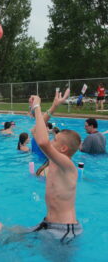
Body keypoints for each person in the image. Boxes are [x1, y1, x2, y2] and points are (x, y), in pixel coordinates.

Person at [28, 89, 82, 242]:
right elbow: (35, 131)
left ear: (63, 148)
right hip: (47, 223)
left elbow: (43, 142)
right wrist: (53, 107)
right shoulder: (54, 160)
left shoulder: (68, 166)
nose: (52, 141)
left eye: (55, 140)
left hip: (64, 230)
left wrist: (37, 106)